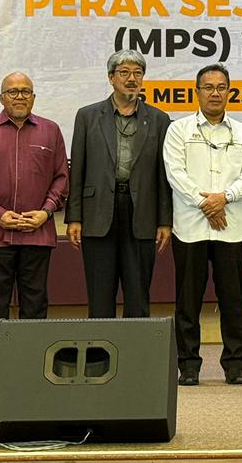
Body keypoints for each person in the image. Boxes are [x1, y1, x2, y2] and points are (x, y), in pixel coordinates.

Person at [163, 64, 242, 386]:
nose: (215, 93)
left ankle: (235, 365)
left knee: (233, 299)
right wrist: (206, 203)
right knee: (187, 302)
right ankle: (188, 366)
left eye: (221, 87)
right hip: (189, 227)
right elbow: (175, 173)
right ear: (197, 92)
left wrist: (224, 198)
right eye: (208, 87)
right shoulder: (178, 130)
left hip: (232, 228)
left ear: (230, 92)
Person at [0, 73, 68, 366]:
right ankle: (0, 367)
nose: (19, 96)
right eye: (13, 92)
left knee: (35, 304)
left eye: (25, 91)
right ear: (1, 98)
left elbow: (61, 178)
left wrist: (46, 211)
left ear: (33, 97)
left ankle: (33, 367)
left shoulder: (51, 131)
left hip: (38, 233)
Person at [66, 49, 172, 318]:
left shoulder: (159, 119)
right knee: (100, 296)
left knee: (138, 296)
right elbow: (77, 169)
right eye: (124, 72)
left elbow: (163, 174)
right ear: (111, 77)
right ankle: (102, 347)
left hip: (142, 213)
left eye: (137, 73)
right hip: (98, 212)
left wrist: (164, 221)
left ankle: (135, 347)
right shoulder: (87, 116)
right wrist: (74, 217)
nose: (131, 79)